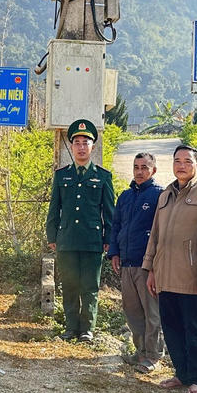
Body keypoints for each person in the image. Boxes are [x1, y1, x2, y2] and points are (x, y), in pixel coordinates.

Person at [142, 144, 197, 393]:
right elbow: (155, 235)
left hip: (192, 279)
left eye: (187, 161)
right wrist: (151, 269)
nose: (181, 165)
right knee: (172, 328)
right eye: (177, 160)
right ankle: (182, 374)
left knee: (194, 330)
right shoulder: (166, 194)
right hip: (165, 276)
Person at [45, 119, 115, 342]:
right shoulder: (61, 175)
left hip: (93, 241)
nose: (81, 147)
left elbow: (109, 212)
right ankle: (70, 327)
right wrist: (52, 235)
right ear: (72, 146)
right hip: (66, 240)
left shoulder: (103, 176)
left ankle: (87, 329)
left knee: (90, 287)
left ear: (92, 147)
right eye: (77, 142)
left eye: (86, 142)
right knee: (70, 285)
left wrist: (108, 239)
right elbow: (54, 208)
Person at [108, 152, 164, 372]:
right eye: (136, 167)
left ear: (153, 170)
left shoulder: (159, 196)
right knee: (132, 311)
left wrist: (154, 265)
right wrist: (114, 252)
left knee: (152, 312)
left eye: (144, 167)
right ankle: (139, 352)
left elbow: (162, 233)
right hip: (127, 264)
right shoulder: (125, 196)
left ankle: (153, 355)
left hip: (146, 265)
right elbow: (116, 227)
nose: (139, 172)